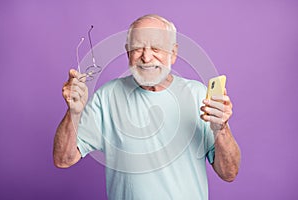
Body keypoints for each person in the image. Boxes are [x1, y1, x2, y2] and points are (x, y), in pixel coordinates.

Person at [53, 14, 241, 200]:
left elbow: (229, 172)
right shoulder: (107, 97)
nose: (146, 57)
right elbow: (63, 159)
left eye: (156, 48)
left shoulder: (199, 95)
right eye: (137, 48)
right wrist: (74, 113)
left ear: (173, 53)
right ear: (128, 53)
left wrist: (221, 129)